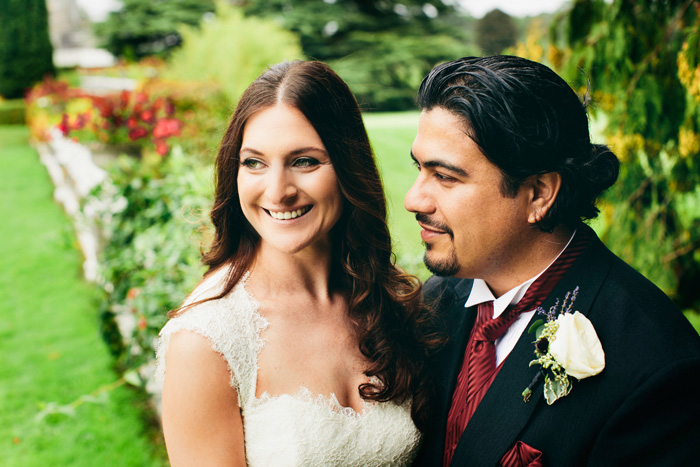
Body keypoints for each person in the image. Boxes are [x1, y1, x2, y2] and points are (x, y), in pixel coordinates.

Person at [405, 55, 700, 466]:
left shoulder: (655, 365)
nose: (412, 200)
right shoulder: (434, 305)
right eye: (418, 168)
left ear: (540, 194)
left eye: (446, 176)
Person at [155, 60, 439, 466]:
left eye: (304, 161)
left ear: (348, 166)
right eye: (253, 162)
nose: (277, 191)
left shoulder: (386, 299)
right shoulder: (205, 342)